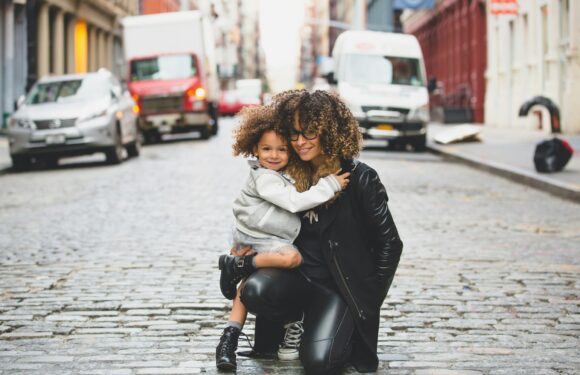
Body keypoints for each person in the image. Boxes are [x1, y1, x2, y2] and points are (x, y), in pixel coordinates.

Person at [237, 90, 404, 374]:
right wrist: (244, 245)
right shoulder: (288, 174)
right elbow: (254, 213)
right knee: (254, 290)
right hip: (297, 281)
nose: (300, 142)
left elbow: (390, 243)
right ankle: (297, 322)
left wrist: (366, 300)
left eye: (310, 133)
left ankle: (337, 327)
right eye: (295, 133)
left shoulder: (360, 178)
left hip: (337, 290)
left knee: (319, 362)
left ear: (329, 131)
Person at [215, 105, 351, 371]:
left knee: (245, 285)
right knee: (292, 257)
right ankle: (240, 268)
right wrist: (331, 185)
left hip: (257, 236)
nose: (274, 155)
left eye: (281, 149)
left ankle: (228, 338)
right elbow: (293, 202)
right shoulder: (264, 178)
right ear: (255, 149)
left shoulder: (279, 174)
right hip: (261, 238)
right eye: (267, 149)